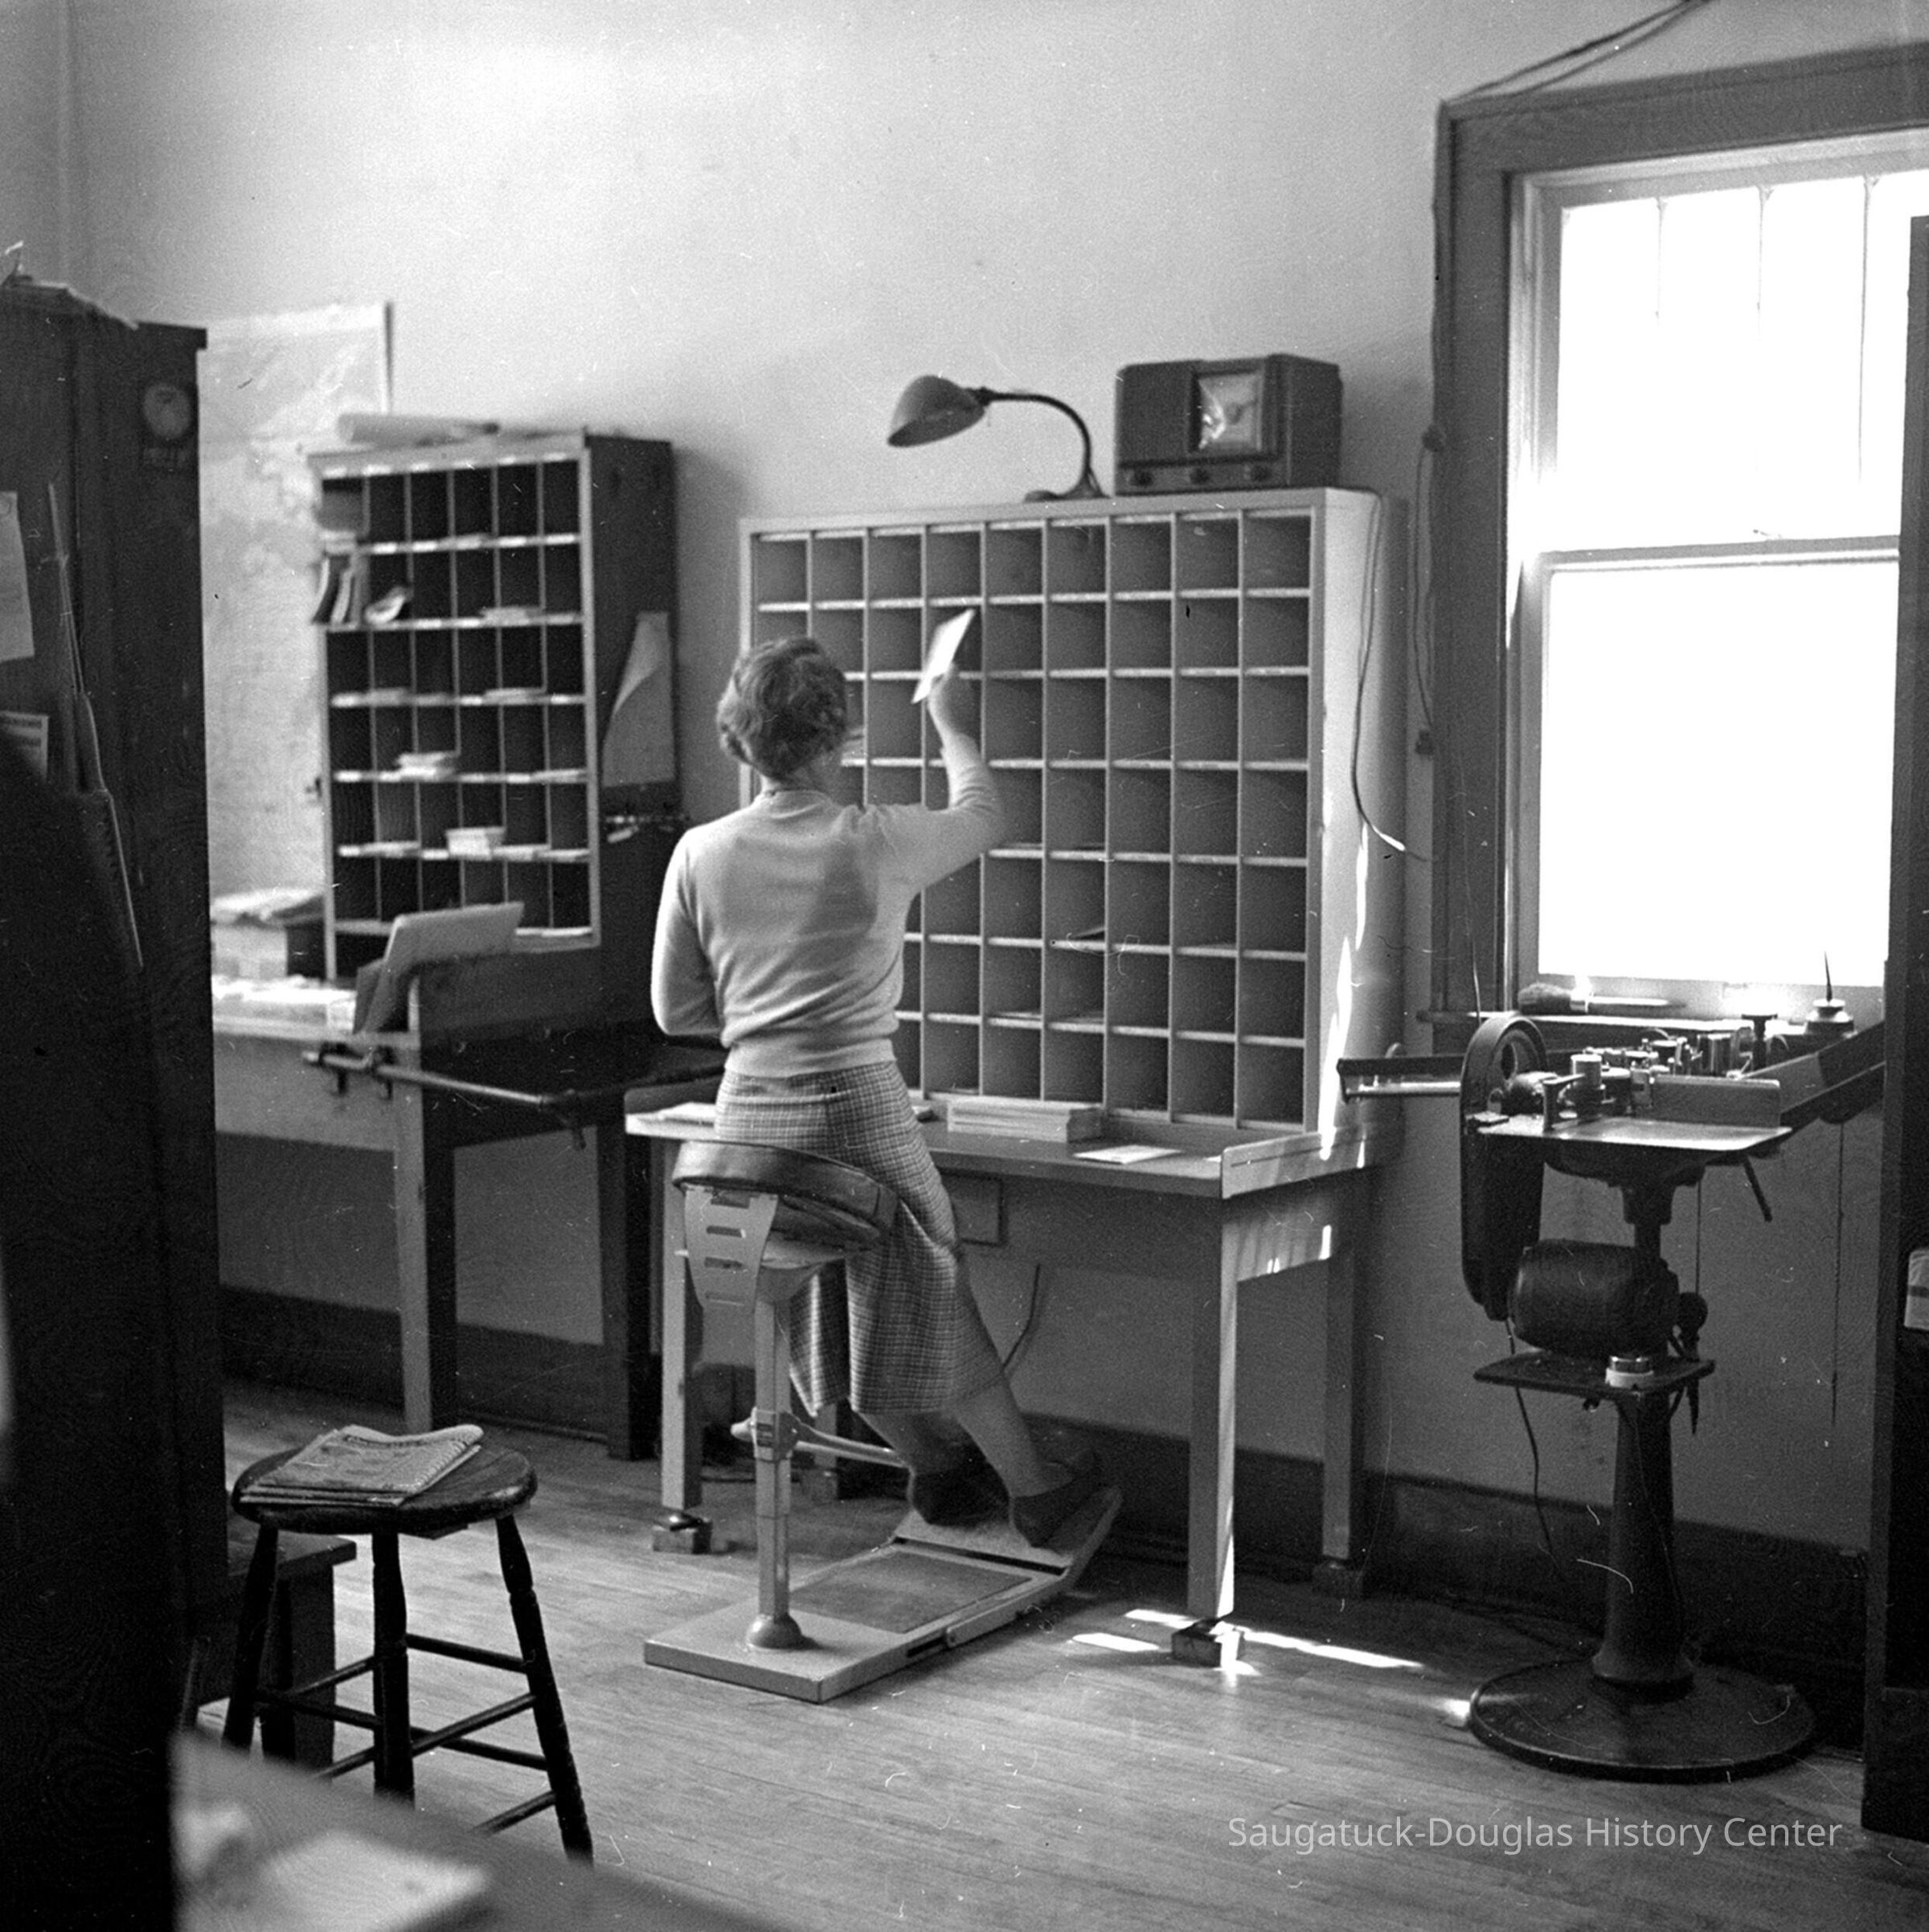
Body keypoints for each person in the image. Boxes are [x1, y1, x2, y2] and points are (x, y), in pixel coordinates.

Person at [651, 634, 1104, 1545]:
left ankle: (936, 1469)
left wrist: (765, 1020)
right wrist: (950, 721)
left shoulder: (700, 852)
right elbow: (985, 814)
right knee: (931, 1280)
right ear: (838, 737)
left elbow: (675, 1010)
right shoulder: (872, 839)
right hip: (856, 1104)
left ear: (741, 738)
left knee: (825, 1292)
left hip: (748, 1126)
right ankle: (1034, 1488)